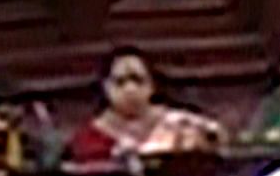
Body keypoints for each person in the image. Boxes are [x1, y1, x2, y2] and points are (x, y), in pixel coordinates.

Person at [61, 45, 226, 166]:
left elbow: (216, 138)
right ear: (106, 87)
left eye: (138, 80)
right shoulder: (91, 136)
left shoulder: (177, 122)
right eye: (120, 82)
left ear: (152, 85)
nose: (130, 90)